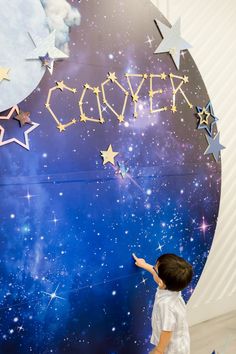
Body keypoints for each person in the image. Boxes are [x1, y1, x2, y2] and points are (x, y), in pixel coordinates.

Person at [132, 253, 193, 354]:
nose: (153, 268)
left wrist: (159, 350)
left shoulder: (166, 305)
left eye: (155, 268)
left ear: (161, 282)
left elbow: (167, 331)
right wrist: (144, 264)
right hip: (180, 341)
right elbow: (157, 273)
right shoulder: (173, 286)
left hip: (173, 349)